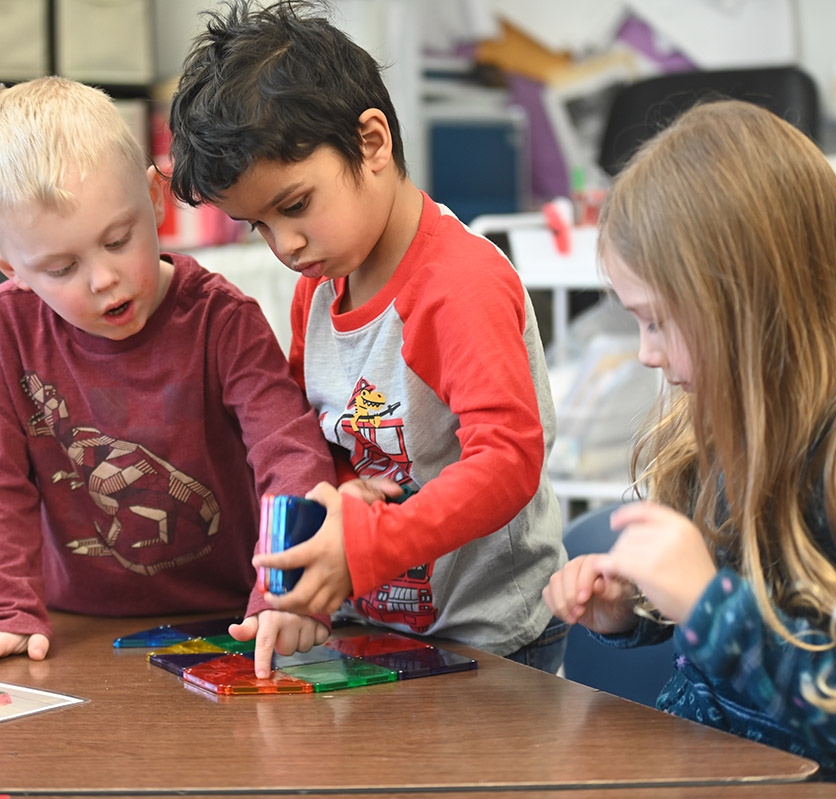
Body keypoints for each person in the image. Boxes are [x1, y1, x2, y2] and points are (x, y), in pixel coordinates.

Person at [542, 100, 836, 798]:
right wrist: (636, 606)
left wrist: (708, 605)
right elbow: (737, 609)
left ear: (747, 304)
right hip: (705, 768)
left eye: (659, 321)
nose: (645, 353)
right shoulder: (737, 407)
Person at [166, 0, 567, 675]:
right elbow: (318, 444)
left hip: (494, 638)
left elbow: (508, 461)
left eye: (295, 205)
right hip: (378, 625)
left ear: (372, 142)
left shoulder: (458, 284)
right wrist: (307, 563)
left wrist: (366, 545)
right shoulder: (319, 289)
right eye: (259, 226)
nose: (285, 245)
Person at [0, 76, 337, 673]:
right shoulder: (4, 326)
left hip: (233, 618)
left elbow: (289, 455)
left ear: (155, 199)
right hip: (77, 628)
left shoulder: (222, 319)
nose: (103, 279)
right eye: (60, 268)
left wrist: (284, 593)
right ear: (11, 270)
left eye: (118, 240)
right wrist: (4, 611)